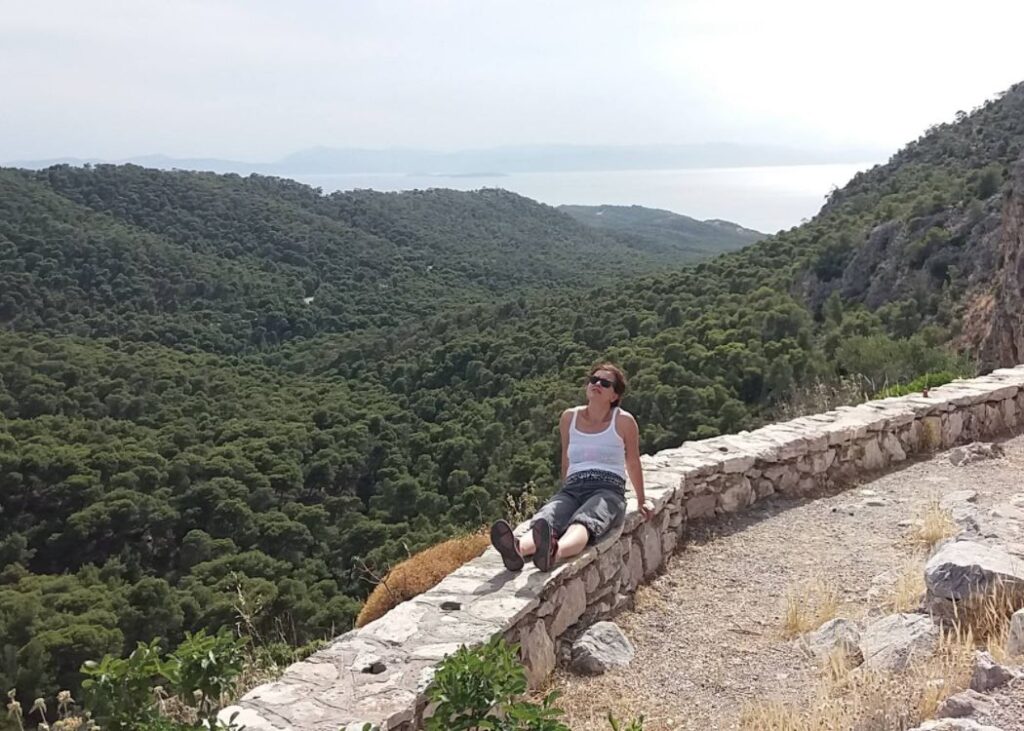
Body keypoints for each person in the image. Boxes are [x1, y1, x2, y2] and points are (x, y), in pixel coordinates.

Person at [489, 362, 653, 572]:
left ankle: (554, 553)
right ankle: (517, 549)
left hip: (608, 489)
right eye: (593, 380)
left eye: (605, 383)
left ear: (614, 396)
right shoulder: (569, 418)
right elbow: (566, 457)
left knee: (585, 521)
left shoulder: (623, 421)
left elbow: (632, 461)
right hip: (573, 486)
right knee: (548, 516)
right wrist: (563, 490)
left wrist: (641, 500)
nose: (597, 384)